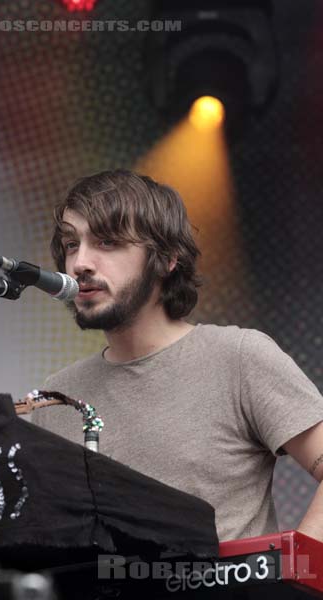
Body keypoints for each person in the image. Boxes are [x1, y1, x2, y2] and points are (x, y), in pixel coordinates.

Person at [32, 169, 323, 542]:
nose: (80, 263)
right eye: (72, 245)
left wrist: (289, 571)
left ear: (167, 258)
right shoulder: (58, 395)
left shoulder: (237, 358)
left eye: (107, 242)